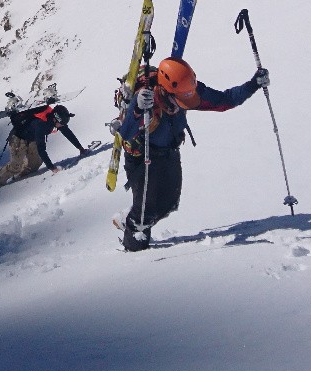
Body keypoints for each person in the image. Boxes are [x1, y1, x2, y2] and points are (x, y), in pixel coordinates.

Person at [111, 55, 268, 251]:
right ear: (168, 90)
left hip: (169, 153)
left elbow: (224, 100)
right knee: (144, 214)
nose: (186, 101)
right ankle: (134, 252)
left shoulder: (187, 90)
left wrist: (253, 85)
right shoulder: (146, 99)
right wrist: (136, 108)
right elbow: (126, 133)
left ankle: (127, 218)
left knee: (169, 203)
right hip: (143, 159)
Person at [0, 102, 88, 187]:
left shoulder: (54, 119)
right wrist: (52, 168)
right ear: (56, 119)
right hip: (18, 139)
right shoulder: (41, 124)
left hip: (32, 139)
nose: (63, 125)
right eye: (62, 123)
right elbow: (41, 149)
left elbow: (67, 133)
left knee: (34, 165)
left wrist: (80, 148)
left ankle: (18, 177)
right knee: (15, 166)